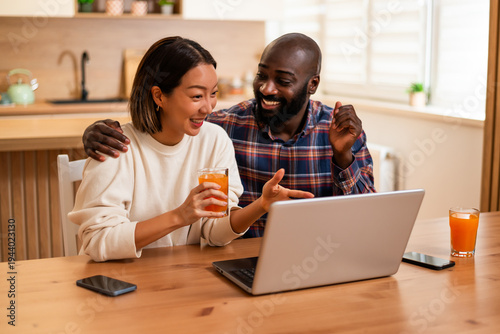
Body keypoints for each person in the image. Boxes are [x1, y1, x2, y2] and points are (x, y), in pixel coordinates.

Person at [82, 33, 376, 239]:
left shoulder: (340, 132)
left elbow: (366, 219)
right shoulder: (222, 127)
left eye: (282, 81)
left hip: (318, 257)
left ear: (312, 84)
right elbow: (173, 126)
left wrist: (342, 157)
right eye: (262, 75)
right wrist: (94, 133)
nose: (266, 88)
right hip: (238, 260)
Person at [69, 36, 313, 262]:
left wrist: (260, 205)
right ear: (159, 96)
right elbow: (97, 241)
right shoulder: (115, 145)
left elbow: (214, 231)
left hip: (183, 278)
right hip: (119, 282)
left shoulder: (214, 140)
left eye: (214, 94)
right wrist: (179, 217)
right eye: (197, 96)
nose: (208, 108)